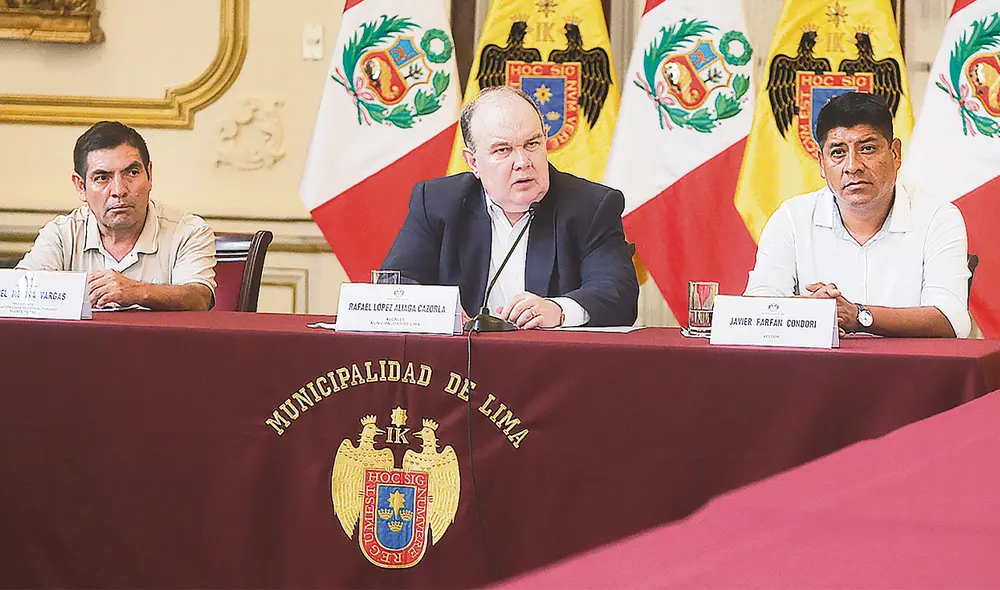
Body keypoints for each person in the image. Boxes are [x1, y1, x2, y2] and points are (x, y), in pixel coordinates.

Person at [381, 86, 638, 328]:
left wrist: (559, 310)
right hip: (457, 368)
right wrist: (436, 310)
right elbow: (394, 282)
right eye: (503, 150)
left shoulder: (591, 206)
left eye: (532, 144)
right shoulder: (438, 202)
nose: (523, 162)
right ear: (473, 162)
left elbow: (618, 293)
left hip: (556, 367)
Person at [744, 92, 970, 338]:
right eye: (838, 152)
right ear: (821, 163)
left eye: (868, 149)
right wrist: (808, 310)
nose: (853, 166)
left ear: (895, 153)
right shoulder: (792, 218)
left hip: (908, 373)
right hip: (815, 372)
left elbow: (951, 320)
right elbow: (756, 308)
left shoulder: (938, 218)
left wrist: (859, 316)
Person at [17, 121, 216, 311]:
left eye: (132, 173)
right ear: (81, 187)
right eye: (102, 178)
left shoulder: (188, 231)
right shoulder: (61, 234)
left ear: (150, 174)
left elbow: (199, 297)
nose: (119, 190)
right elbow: (18, 292)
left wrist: (139, 292)